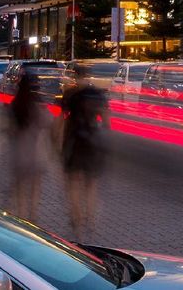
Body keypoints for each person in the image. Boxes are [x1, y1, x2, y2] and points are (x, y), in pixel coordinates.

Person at [58, 64, 108, 242]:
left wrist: (58, 144)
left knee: (73, 186)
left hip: (74, 143)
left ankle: (77, 225)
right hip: (92, 144)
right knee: (91, 185)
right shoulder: (98, 95)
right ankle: (91, 221)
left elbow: (61, 121)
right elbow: (107, 122)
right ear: (88, 76)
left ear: (74, 76)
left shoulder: (70, 95)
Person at [8, 70, 44, 222]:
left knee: (20, 187)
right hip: (35, 151)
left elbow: (8, 129)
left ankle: (21, 217)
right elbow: (46, 123)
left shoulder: (15, 103)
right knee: (35, 187)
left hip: (19, 151)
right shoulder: (37, 103)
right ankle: (33, 216)